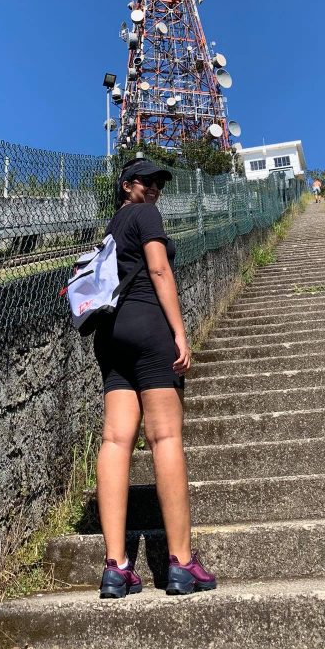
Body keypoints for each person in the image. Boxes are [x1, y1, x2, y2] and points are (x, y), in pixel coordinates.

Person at [93, 157, 217, 599]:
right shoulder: (145, 214)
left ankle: (116, 567)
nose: (155, 189)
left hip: (111, 336)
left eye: (159, 183)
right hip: (148, 327)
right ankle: (181, 564)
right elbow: (160, 268)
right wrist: (180, 332)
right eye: (146, 181)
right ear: (127, 186)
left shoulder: (111, 227)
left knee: (114, 441)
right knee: (164, 439)